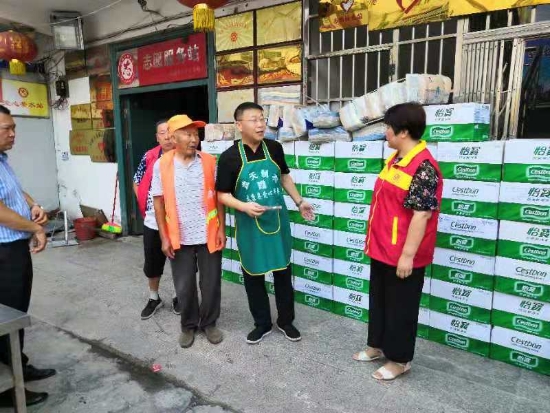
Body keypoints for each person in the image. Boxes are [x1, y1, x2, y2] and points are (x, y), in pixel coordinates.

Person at [353, 103, 443, 381]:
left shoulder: (423, 167)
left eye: (388, 128)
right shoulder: (396, 159)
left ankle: (400, 360)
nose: (385, 133)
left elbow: (422, 215)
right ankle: (377, 345)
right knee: (380, 301)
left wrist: (407, 256)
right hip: (382, 248)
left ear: (403, 132)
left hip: (403, 252)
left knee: (401, 308)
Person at [216, 102, 314, 344]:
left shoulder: (274, 148)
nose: (260, 124)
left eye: (262, 119)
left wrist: (300, 201)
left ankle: (286, 321)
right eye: (254, 120)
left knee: (283, 272)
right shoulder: (229, 158)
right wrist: (244, 206)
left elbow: (284, 177)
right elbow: (222, 195)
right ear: (239, 125)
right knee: (253, 275)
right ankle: (262, 323)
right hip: (249, 225)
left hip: (277, 221)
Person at [152, 114, 226, 348]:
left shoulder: (210, 162)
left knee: (211, 283)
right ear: (173, 138)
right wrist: (164, 237)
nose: (194, 139)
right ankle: (188, 324)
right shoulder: (162, 164)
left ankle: (209, 323)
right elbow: (158, 203)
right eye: (188, 134)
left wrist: (222, 229)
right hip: (179, 236)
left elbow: (220, 198)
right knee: (184, 286)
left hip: (208, 233)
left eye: (196, 134)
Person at [0, 104, 56, 407]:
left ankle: (19, 366)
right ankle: (8, 387)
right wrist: (35, 228)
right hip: (4, 254)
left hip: (14, 251)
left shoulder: (3, 160)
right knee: (6, 318)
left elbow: (15, 192)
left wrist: (33, 205)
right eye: (7, 129)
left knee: (17, 313)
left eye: (14, 128)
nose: (13, 134)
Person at [133, 120, 180, 320]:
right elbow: (137, 181)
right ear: (157, 137)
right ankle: (154, 298)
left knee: (181, 262)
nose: (167, 137)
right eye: (162, 133)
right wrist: (145, 206)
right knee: (152, 263)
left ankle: (179, 296)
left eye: (170, 132)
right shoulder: (150, 156)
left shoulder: (184, 156)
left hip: (179, 222)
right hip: (153, 221)